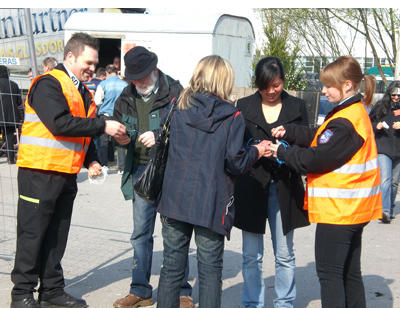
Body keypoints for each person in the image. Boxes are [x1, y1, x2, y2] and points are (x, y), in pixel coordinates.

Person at [10, 32, 127, 308]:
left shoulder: (83, 92)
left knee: (56, 235)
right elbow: (60, 124)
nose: (91, 68)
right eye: (87, 62)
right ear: (70, 57)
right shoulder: (48, 84)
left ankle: (51, 289)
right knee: (33, 234)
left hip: (65, 174)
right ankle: (22, 293)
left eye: (94, 63)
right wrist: (103, 125)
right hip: (39, 173)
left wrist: (92, 160)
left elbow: (80, 134)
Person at [155, 55, 270, 308]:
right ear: (224, 80)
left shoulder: (176, 106)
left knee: (172, 267)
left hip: (174, 198)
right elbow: (236, 163)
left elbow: (162, 142)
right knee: (209, 272)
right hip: (211, 203)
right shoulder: (232, 115)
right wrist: (257, 151)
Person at [269, 56, 382, 308]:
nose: (323, 90)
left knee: (330, 276)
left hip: (340, 211)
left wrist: (281, 152)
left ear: (348, 86)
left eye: (328, 85)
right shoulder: (351, 111)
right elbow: (320, 138)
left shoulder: (346, 121)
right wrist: (290, 132)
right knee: (349, 274)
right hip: (352, 209)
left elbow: (317, 158)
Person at [112, 46, 193, 308]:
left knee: (175, 232)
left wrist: (159, 136)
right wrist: (121, 139)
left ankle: (181, 290)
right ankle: (140, 290)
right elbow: (118, 133)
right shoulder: (125, 97)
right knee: (140, 233)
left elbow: (188, 131)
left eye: (142, 78)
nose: (138, 83)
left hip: (171, 171)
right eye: (133, 78)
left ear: (154, 71)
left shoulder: (176, 93)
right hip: (139, 171)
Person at [233, 57, 310, 308]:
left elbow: (306, 143)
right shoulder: (242, 106)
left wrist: (284, 145)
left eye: (276, 85)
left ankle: (284, 303)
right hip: (252, 185)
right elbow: (235, 146)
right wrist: (255, 148)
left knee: (285, 254)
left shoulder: (297, 106)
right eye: (265, 86)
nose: (271, 91)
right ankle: (251, 303)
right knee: (251, 255)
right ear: (257, 83)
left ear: (283, 81)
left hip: (284, 185)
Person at [369, 80, 400, 223]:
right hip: (383, 148)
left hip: (398, 150)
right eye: (394, 95)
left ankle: (391, 208)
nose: (396, 97)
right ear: (389, 93)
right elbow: (368, 123)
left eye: (399, 95)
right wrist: (377, 125)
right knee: (386, 180)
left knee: (394, 182)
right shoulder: (380, 106)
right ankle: (385, 211)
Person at [94, 65, 128, 172]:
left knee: (103, 141)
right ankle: (121, 168)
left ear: (107, 73)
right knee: (120, 141)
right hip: (120, 115)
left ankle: (104, 165)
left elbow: (97, 101)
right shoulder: (125, 84)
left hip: (105, 116)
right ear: (116, 72)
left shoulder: (103, 84)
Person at [0, 65, 23, 164]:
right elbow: (18, 102)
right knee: (9, 137)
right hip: (11, 115)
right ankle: (11, 159)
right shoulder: (14, 85)